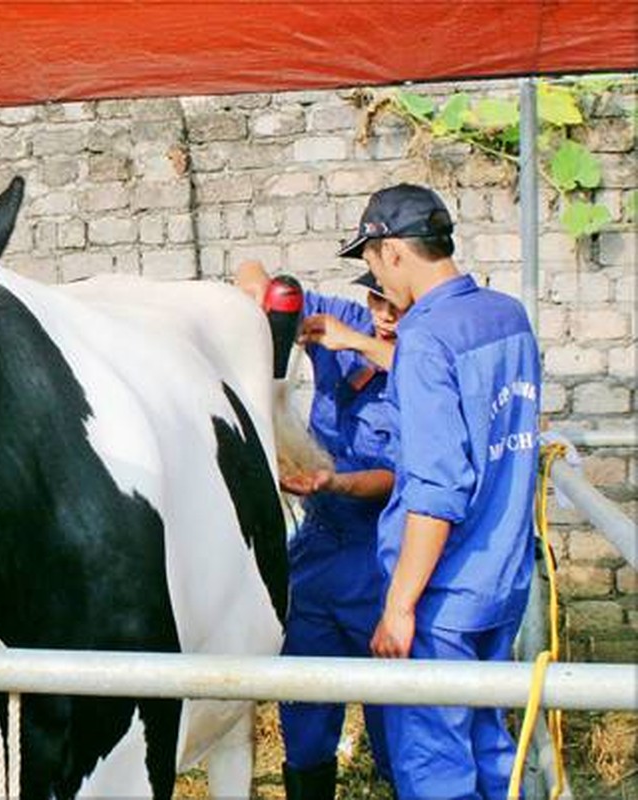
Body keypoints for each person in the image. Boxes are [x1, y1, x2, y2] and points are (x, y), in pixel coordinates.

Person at [342, 184, 541, 799]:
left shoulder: (425, 340)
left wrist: (399, 605)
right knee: (490, 740)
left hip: (442, 593)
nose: (376, 278)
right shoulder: (506, 315)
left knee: (435, 769)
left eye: (372, 262)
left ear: (393, 251)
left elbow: (436, 487)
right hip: (505, 579)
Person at [235, 260, 400, 800]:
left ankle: (395, 781)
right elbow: (255, 276)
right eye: (376, 302)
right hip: (316, 549)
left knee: (394, 707)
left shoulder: (424, 365)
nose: (383, 316)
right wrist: (270, 309)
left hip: (378, 557)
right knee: (303, 695)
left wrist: (334, 483)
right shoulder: (346, 318)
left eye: (395, 307)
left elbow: (396, 476)